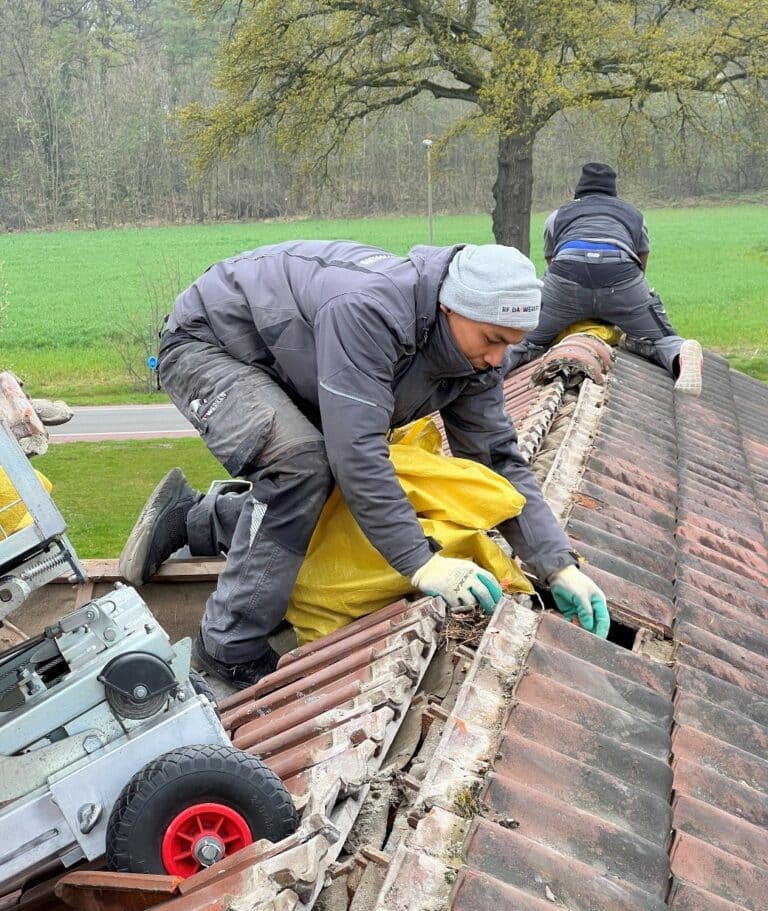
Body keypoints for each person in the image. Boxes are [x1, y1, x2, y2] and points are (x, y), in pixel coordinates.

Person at [119, 241, 610, 689]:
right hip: (211, 345)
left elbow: (496, 458)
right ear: (449, 308)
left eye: (511, 342)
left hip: (294, 363)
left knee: (347, 474)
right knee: (303, 464)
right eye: (492, 339)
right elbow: (356, 454)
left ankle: (197, 520)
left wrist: (557, 565)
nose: (498, 358)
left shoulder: (474, 355)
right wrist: (422, 563)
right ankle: (228, 646)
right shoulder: (370, 311)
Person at [509, 162, 703, 395]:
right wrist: (619, 303)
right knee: (661, 340)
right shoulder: (634, 215)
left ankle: (484, 372)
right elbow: (641, 263)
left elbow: (553, 260)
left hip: (567, 280)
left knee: (524, 341)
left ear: (579, 189)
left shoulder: (558, 215)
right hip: (621, 279)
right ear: (613, 190)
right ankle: (681, 356)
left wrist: (574, 302)